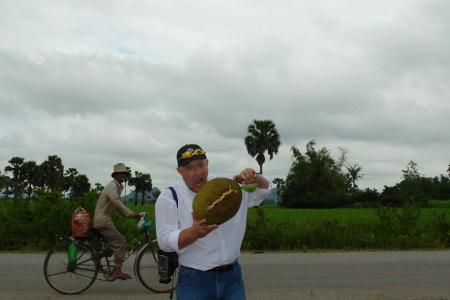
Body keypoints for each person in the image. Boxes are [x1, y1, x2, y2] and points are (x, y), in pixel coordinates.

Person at [155, 144, 272, 299]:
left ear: (207, 163)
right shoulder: (170, 196)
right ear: (180, 171)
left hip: (232, 277)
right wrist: (193, 233)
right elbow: (164, 241)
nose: (198, 172)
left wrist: (254, 177)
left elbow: (262, 192)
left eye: (201, 165)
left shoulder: (227, 185)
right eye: (189, 168)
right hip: (194, 281)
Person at [92, 162, 140, 280]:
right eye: (121, 173)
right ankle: (117, 271)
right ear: (115, 174)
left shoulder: (117, 186)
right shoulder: (112, 186)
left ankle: (98, 256)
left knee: (115, 244)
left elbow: (116, 205)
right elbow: (116, 202)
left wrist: (128, 215)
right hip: (103, 220)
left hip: (105, 220)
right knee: (120, 243)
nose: (123, 176)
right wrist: (130, 214)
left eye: (124, 173)